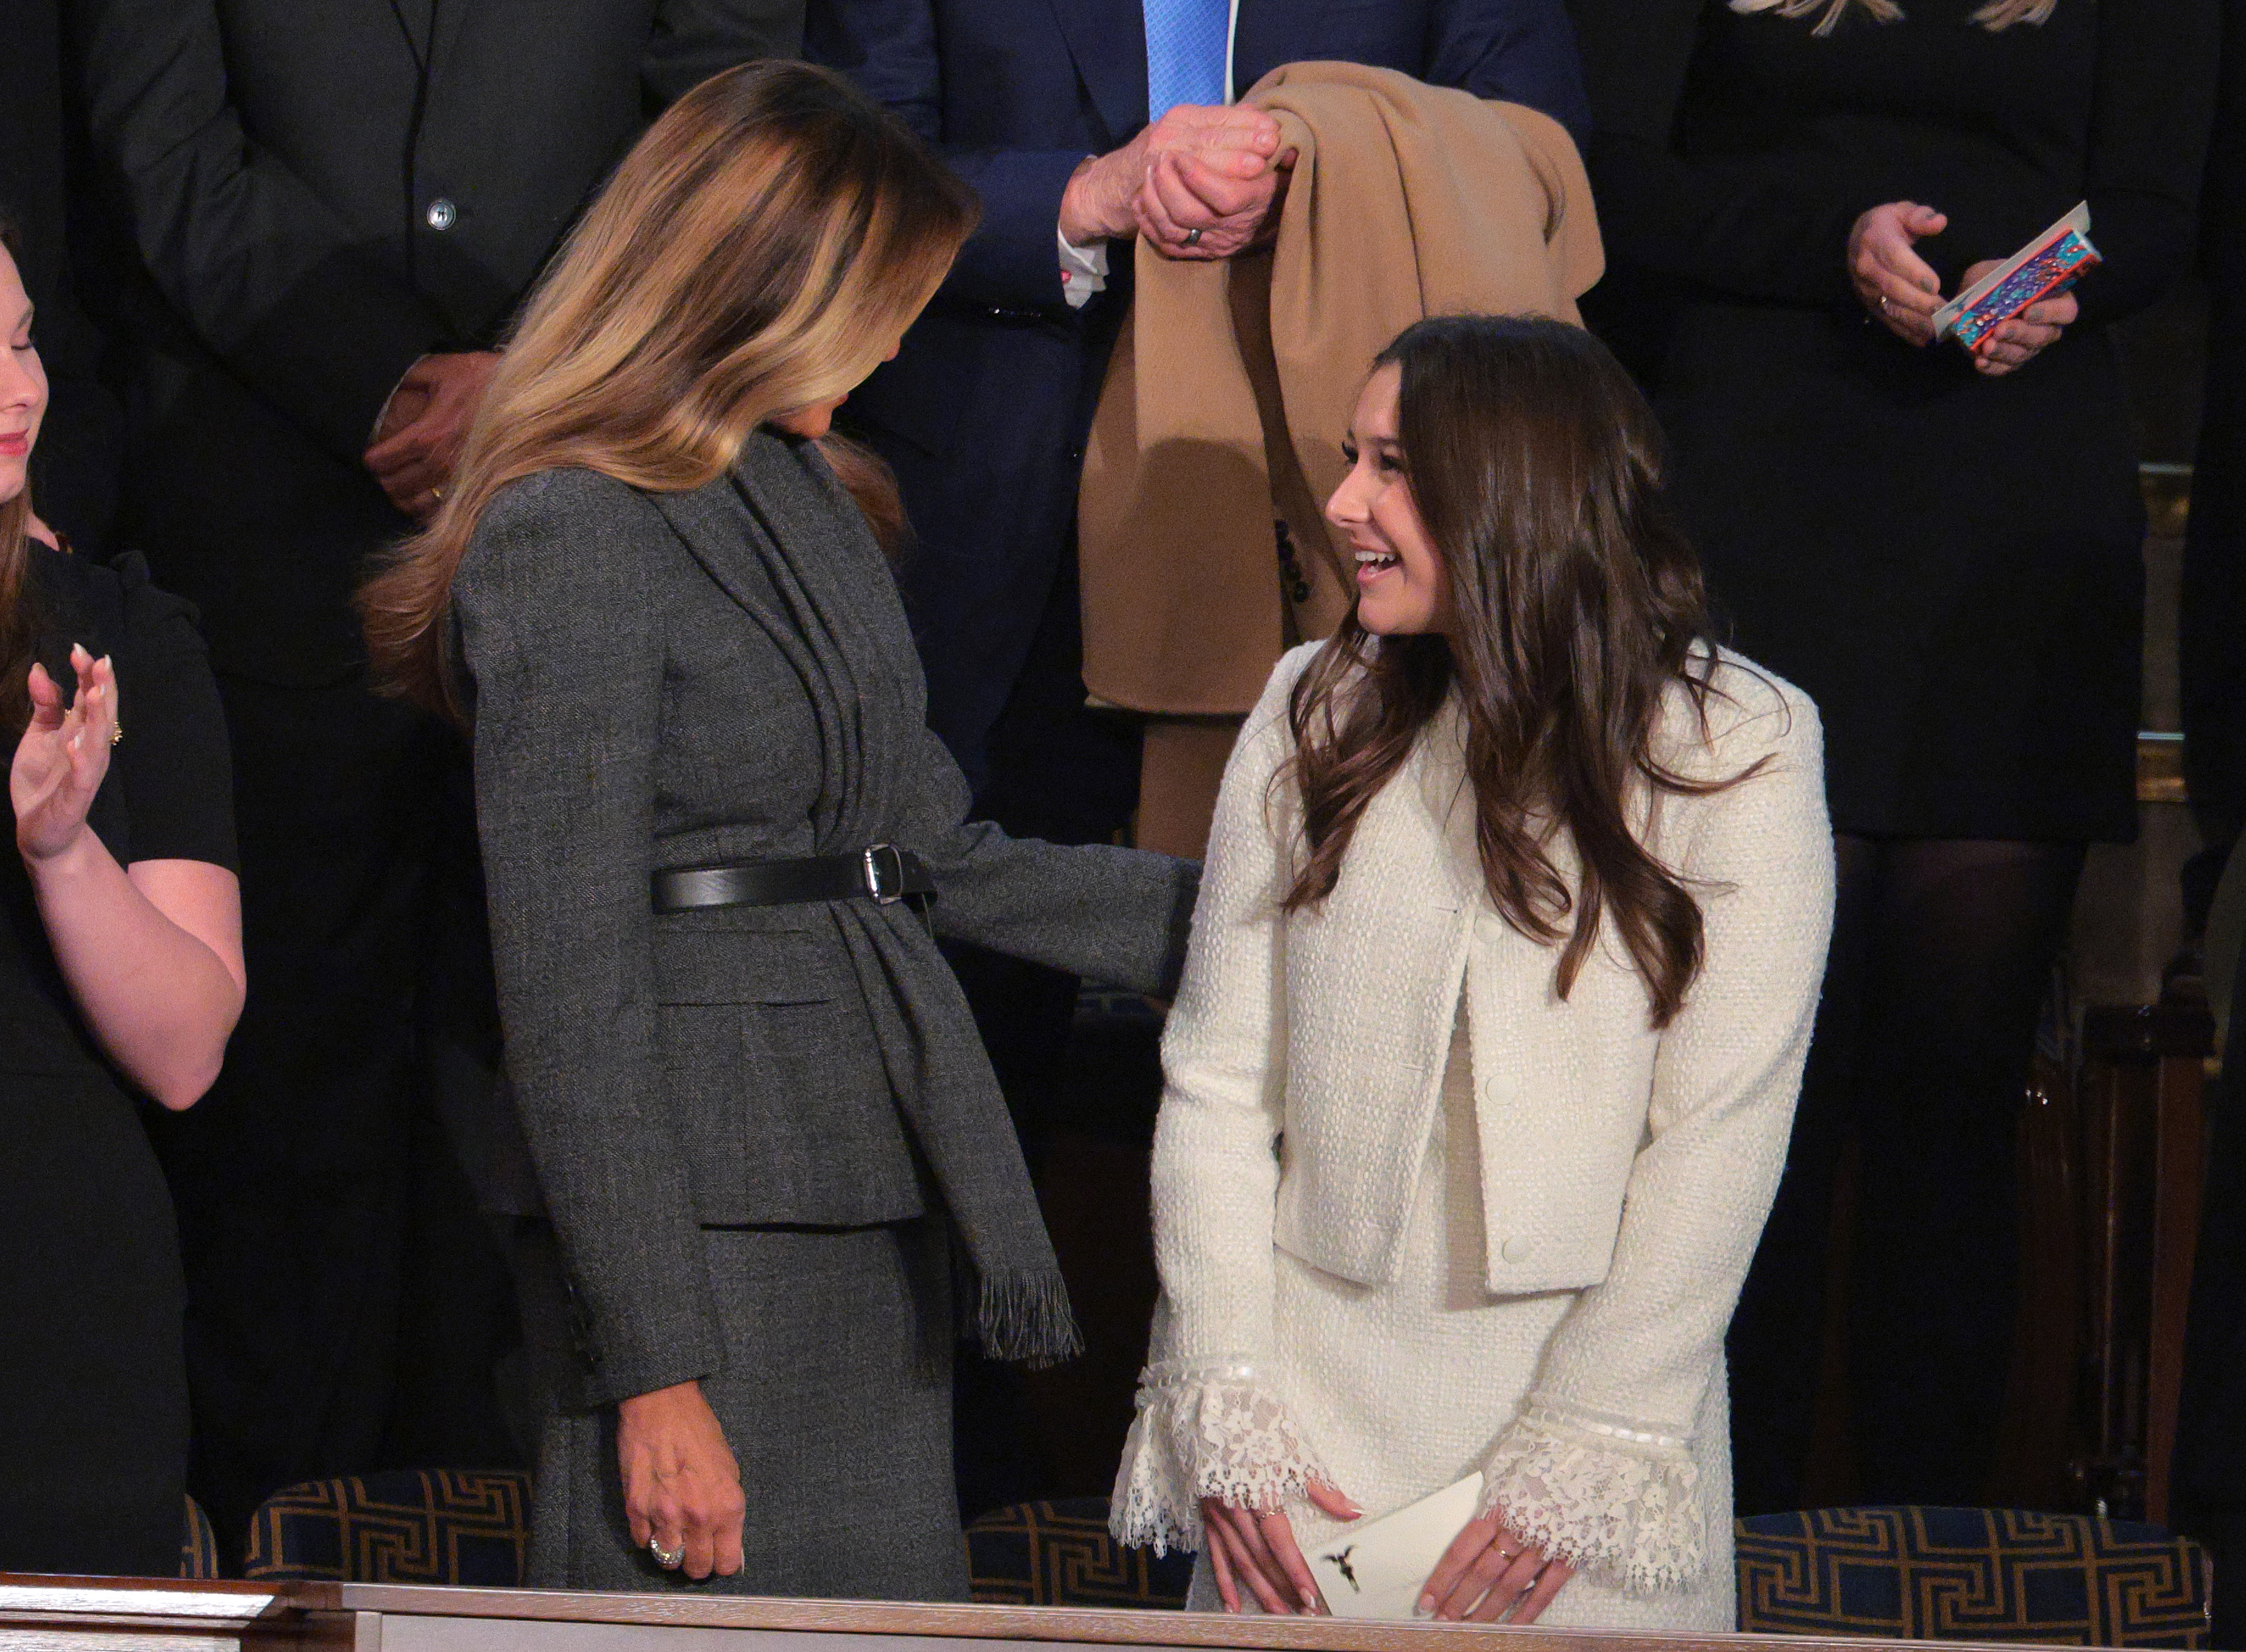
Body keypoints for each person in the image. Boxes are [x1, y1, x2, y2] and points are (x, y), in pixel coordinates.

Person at [360, 62, 1200, 1597]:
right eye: (884, 303)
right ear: (766, 289)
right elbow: (569, 982)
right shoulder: (568, 528)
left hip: (859, 1166)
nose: (892, 344)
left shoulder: (811, 496)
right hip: (692, 1220)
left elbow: (936, 850)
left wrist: (1262, 919)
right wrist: (656, 1371)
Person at [810, 0, 1592, 1512]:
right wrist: (1088, 197)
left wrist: (1329, 163)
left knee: (1327, 1032)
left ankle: (1295, 1494)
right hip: (1007, 553)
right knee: (963, 1039)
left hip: (1348, 539)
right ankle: (951, 1506)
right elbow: (844, 173)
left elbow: (1541, 155)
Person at [73, 0, 802, 1556]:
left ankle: (532, 1559)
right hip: (267, 525)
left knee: (547, 1082)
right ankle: (275, 1543)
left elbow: (728, 125)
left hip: (595, 503)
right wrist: (388, 379)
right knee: (282, 1109)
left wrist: (538, 382)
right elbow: (163, 147)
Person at [1566, 0, 2223, 1511]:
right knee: (1740, 1084)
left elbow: (2155, 206)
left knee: (1958, 1086)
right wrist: (1832, 248)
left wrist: (2051, 279)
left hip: (2005, 491)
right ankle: (1722, 1543)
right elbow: (1603, 171)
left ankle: (1925, 1555)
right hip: (1752, 468)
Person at [1111, 316, 1833, 1629]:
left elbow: (1721, 1134)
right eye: (1350, 458)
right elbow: (1214, 1078)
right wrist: (1228, 1396)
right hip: (1304, 1427)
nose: (1341, 505)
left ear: (1512, 488)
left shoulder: (1743, 742)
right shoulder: (1309, 706)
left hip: (1582, 1417)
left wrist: (1589, 1440)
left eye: (1392, 465)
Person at [0, 224, 244, 1575]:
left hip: (50, 1302)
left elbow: (187, 1051)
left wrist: (61, 851)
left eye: (24, 339)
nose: (16, 391)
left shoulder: (118, 635)